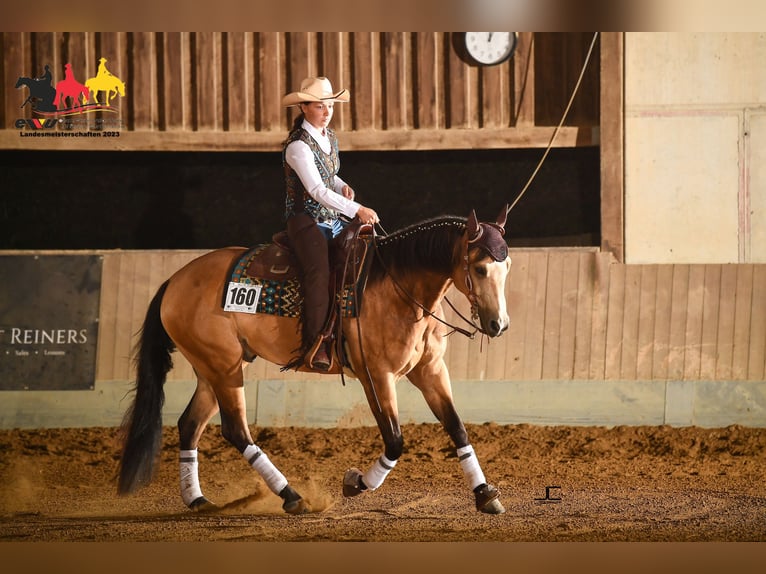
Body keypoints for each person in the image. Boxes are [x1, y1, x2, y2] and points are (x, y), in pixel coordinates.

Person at [281, 76, 379, 371]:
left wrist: (343, 186)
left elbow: (328, 178)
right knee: (318, 274)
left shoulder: (329, 137)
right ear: (304, 107)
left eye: (330, 106)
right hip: (305, 220)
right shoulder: (297, 146)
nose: (327, 112)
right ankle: (317, 342)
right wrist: (357, 208)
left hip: (330, 218)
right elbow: (315, 190)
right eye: (320, 106)